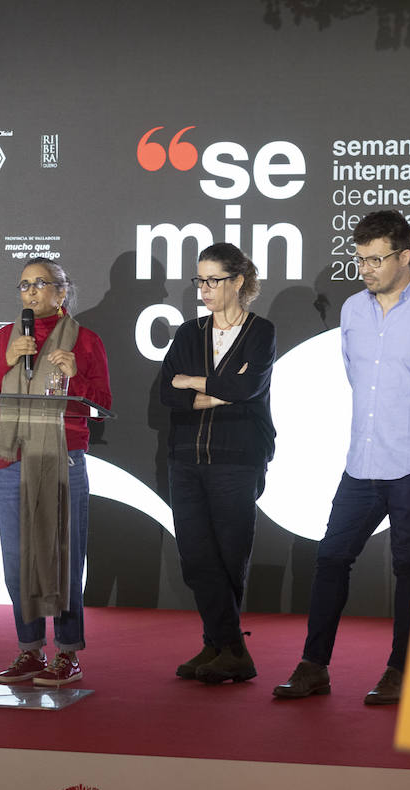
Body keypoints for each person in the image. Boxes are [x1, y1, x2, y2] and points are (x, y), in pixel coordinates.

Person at [274, 209, 410, 703]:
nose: (365, 269)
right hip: (362, 462)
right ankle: (313, 666)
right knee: (331, 557)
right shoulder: (352, 311)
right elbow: (356, 373)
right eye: (360, 259)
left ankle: (401, 670)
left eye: (376, 259)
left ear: (405, 257)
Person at [0, 258, 111, 687]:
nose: (30, 292)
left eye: (40, 283)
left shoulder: (86, 341)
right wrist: (7, 360)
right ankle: (29, 650)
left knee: (63, 561)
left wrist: (76, 377)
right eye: (24, 285)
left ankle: (67, 653)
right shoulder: (6, 338)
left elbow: (102, 405)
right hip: (10, 460)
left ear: (61, 291)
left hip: (62, 458)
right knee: (17, 564)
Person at [161, 243, 276, 683]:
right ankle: (226, 649)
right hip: (185, 458)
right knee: (195, 558)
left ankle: (223, 647)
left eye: (213, 280)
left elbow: (247, 390)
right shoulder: (188, 332)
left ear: (238, 281)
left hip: (238, 458)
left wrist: (194, 383)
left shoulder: (261, 331)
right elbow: (167, 393)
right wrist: (219, 389)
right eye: (200, 280)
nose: (204, 289)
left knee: (229, 556)